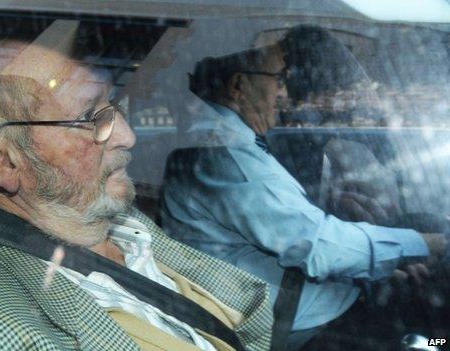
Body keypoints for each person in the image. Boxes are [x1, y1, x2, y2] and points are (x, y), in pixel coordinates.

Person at [0, 40, 274, 351]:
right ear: (4, 162)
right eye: (89, 118)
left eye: (113, 107)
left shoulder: (106, 216)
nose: (127, 135)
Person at [159, 26, 449, 349]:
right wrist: (427, 244)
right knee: (433, 337)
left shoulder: (225, 142)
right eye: (277, 79)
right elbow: (318, 247)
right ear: (239, 86)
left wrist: (371, 262)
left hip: (291, 294)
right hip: (299, 321)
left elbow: (279, 225)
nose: (284, 93)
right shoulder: (226, 156)